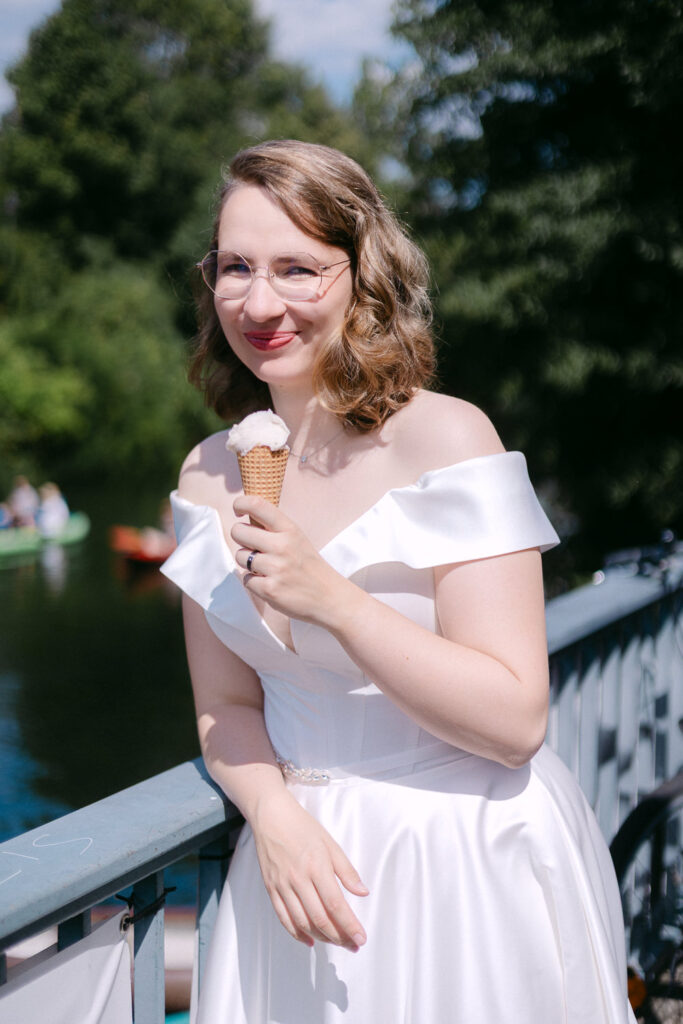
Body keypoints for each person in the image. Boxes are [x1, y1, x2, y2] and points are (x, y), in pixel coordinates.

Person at [161, 140, 635, 1023]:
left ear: (361, 275)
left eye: (297, 268)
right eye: (235, 267)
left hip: (459, 862)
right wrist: (272, 816)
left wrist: (331, 598)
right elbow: (224, 705)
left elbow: (514, 719)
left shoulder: (446, 440)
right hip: (298, 881)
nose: (259, 303)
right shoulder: (205, 474)